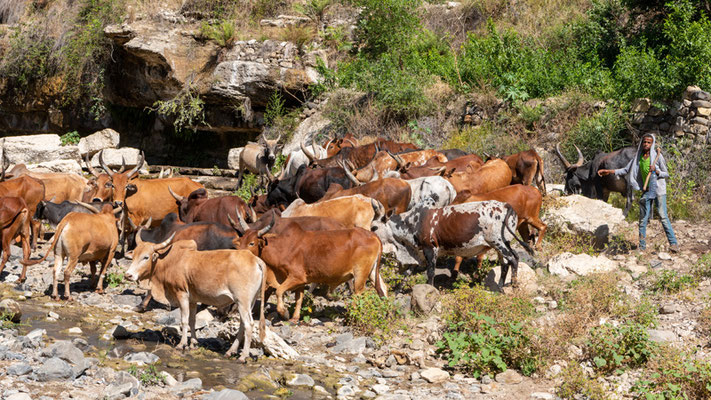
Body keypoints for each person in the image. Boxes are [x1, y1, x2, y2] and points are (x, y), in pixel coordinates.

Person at [598, 133, 679, 253]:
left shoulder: (658, 156)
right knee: (642, 219)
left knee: (663, 216)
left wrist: (656, 171)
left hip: (659, 190)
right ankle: (642, 247)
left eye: (649, 142)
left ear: (652, 144)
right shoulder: (638, 157)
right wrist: (608, 171)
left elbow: (666, 173)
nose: (646, 144)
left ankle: (673, 243)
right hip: (646, 190)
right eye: (644, 142)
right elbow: (625, 170)